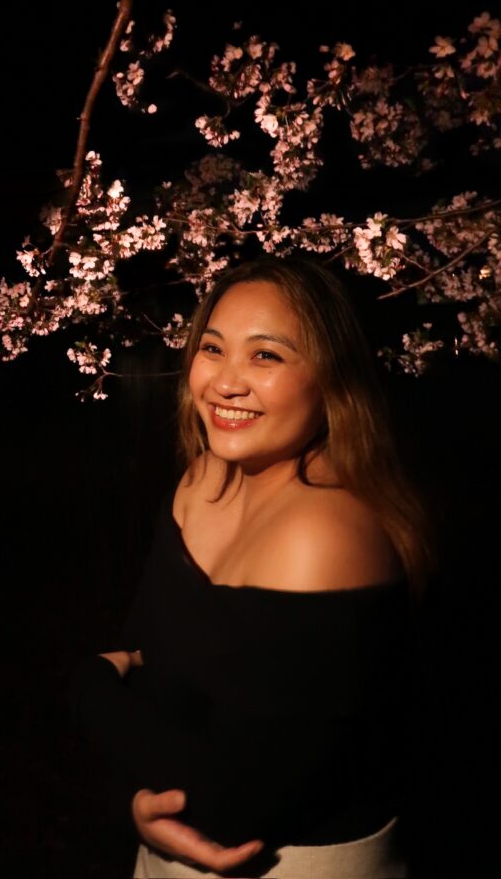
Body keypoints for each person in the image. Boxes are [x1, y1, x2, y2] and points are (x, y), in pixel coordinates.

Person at [69, 253, 436, 878]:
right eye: (213, 349)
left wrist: (88, 687)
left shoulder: (326, 529)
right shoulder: (205, 479)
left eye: (266, 355)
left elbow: (228, 803)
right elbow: (149, 657)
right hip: (163, 857)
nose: (225, 382)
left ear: (332, 377)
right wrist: (135, 799)